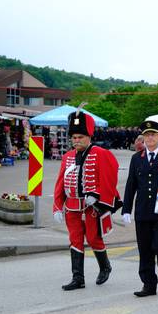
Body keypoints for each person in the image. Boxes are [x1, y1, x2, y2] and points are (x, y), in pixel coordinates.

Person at [53, 109, 122, 291]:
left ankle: (105, 266)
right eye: (74, 137)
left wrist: (97, 195)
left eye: (80, 137)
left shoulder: (101, 153)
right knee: (75, 240)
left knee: (93, 238)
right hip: (72, 207)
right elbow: (61, 182)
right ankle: (78, 278)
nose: (76, 140)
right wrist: (57, 207)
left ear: (89, 136)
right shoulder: (67, 157)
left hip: (92, 208)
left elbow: (109, 178)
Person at [122, 121, 158, 297]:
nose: (150, 138)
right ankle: (148, 284)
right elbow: (131, 185)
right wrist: (126, 209)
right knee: (145, 250)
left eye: (153, 134)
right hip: (143, 211)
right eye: (146, 135)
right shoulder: (136, 158)